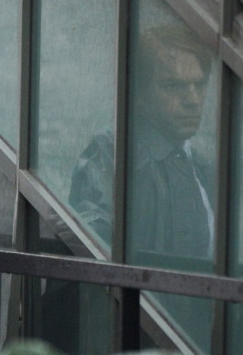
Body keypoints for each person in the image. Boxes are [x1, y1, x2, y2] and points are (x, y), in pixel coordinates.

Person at [69, 23, 214, 260]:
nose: (193, 99)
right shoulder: (115, 152)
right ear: (140, 94)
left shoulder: (200, 166)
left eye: (199, 84)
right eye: (173, 85)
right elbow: (92, 246)